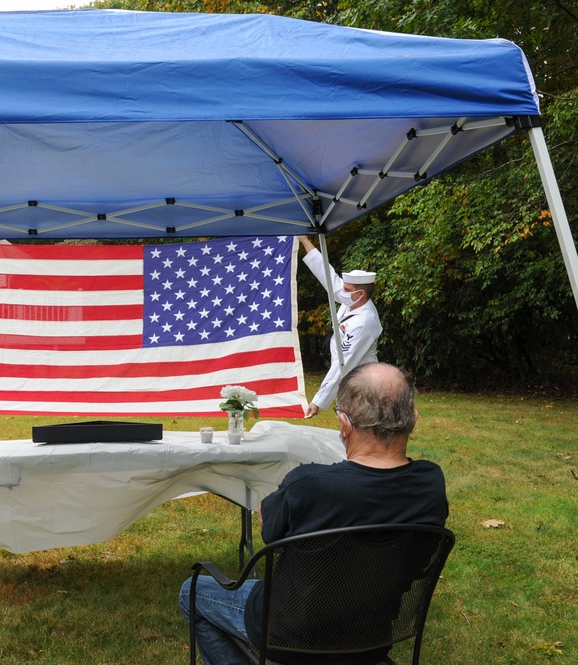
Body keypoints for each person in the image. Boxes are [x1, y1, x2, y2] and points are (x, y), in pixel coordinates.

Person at [179, 362, 448, 665]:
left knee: (193, 590)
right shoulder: (430, 485)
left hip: (290, 633)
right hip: (373, 633)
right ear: (413, 419)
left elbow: (270, 533)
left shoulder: (310, 485)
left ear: (345, 425)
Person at [298, 236, 382, 417]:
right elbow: (328, 276)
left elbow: (342, 364)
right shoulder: (352, 300)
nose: (341, 291)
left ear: (360, 293)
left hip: (362, 386)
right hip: (348, 382)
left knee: (360, 432)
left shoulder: (364, 322)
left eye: (347, 289)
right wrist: (304, 240)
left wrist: (318, 401)